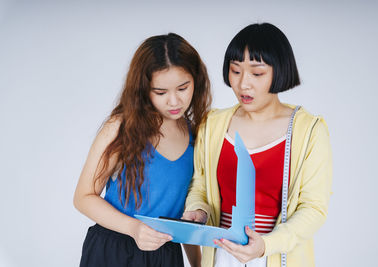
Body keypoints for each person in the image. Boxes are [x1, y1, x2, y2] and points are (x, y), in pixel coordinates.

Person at [182, 23, 332, 267]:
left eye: (257, 73)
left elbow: (313, 208)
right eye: (235, 71)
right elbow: (200, 185)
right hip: (222, 256)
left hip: (277, 255)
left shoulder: (309, 130)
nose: (243, 85)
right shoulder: (213, 124)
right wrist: (198, 211)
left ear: (279, 71)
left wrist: (266, 245)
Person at [73, 33, 211, 267]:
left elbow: (183, 221)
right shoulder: (121, 127)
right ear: (143, 89)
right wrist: (134, 228)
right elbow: (83, 197)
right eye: (161, 92)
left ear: (196, 82)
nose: (174, 101)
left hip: (165, 255)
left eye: (182, 88)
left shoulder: (197, 136)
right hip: (114, 250)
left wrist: (198, 264)